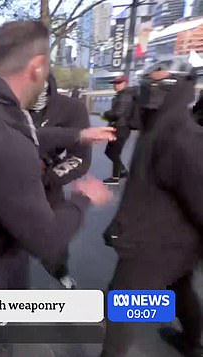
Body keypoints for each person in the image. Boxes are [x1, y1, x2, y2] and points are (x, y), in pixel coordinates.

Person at [0, 20, 114, 356]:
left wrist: (77, 136)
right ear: (37, 67)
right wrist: (81, 198)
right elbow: (46, 237)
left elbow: (32, 135)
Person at [101, 66, 203, 357]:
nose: (148, 90)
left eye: (157, 83)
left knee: (121, 304)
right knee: (179, 287)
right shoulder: (158, 126)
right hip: (171, 242)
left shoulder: (180, 137)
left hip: (156, 245)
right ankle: (192, 341)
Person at [29, 73, 92, 289]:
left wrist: (48, 176)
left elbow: (81, 158)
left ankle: (61, 272)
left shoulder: (71, 109)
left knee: (55, 240)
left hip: (48, 184)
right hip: (7, 183)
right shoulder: (2, 106)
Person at [103, 75, 135, 185]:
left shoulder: (125, 96)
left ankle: (115, 177)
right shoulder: (121, 95)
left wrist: (106, 114)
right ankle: (122, 171)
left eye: (119, 83)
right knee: (109, 152)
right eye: (115, 83)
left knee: (114, 152)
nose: (115, 85)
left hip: (122, 128)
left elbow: (118, 113)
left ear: (125, 83)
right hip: (117, 127)